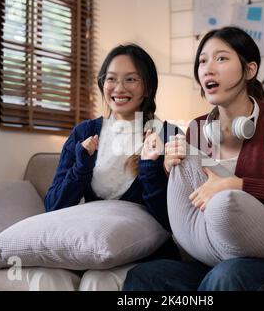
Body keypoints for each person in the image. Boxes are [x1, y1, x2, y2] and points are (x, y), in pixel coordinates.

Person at [123, 26, 264, 291]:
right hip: (216, 259)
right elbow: (183, 215)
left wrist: (238, 185)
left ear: (249, 70)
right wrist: (165, 169)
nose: (208, 68)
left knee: (227, 277)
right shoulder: (196, 129)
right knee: (145, 275)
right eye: (202, 61)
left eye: (221, 58)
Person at [28, 43, 181, 291]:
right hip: (91, 249)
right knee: (46, 276)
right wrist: (81, 167)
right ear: (102, 84)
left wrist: (150, 166)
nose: (119, 88)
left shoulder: (169, 135)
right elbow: (53, 206)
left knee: (98, 281)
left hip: (146, 255)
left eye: (131, 79)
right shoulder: (84, 133)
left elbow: (171, 219)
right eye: (111, 79)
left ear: (147, 88)